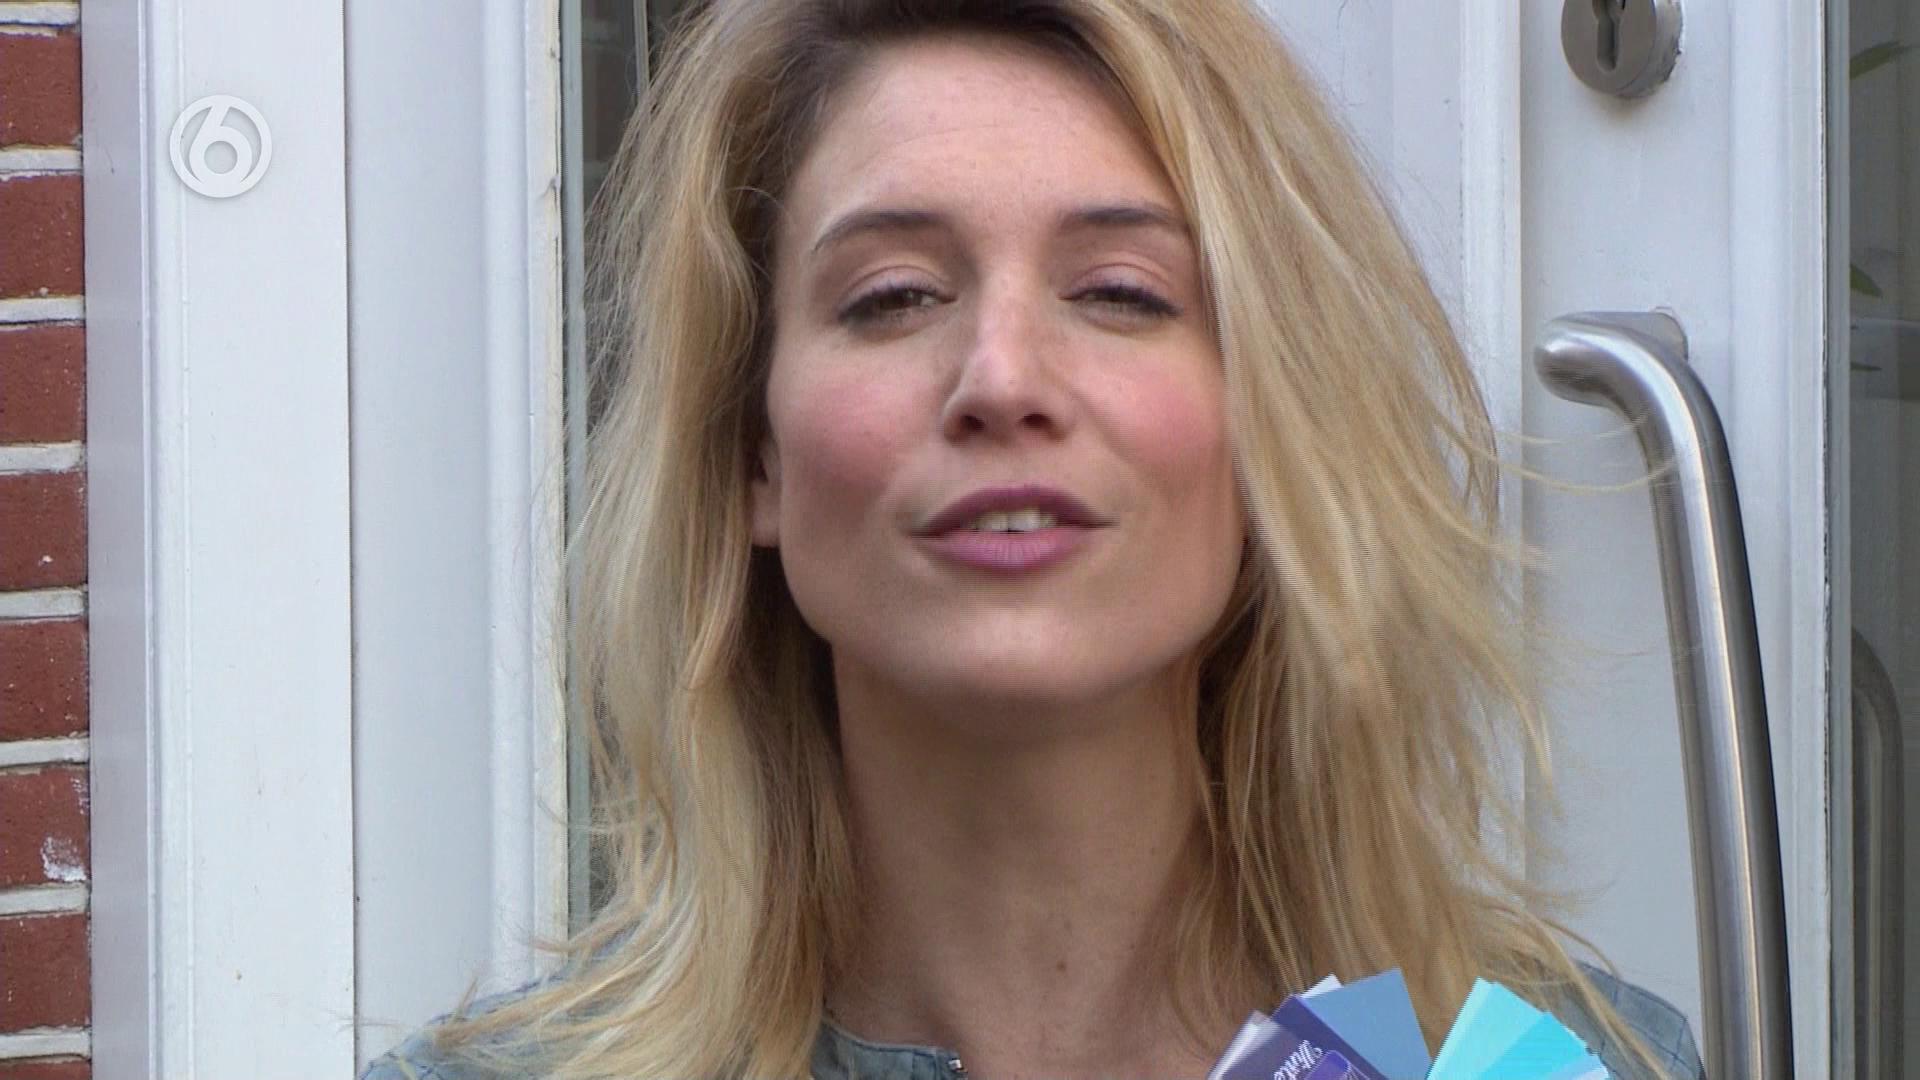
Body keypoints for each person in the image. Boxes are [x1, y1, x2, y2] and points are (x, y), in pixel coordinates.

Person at [364, 1, 1706, 1077]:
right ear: (752, 455)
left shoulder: (1566, 1066)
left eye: (1121, 293)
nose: (1002, 378)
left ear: (1271, 426)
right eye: (894, 297)